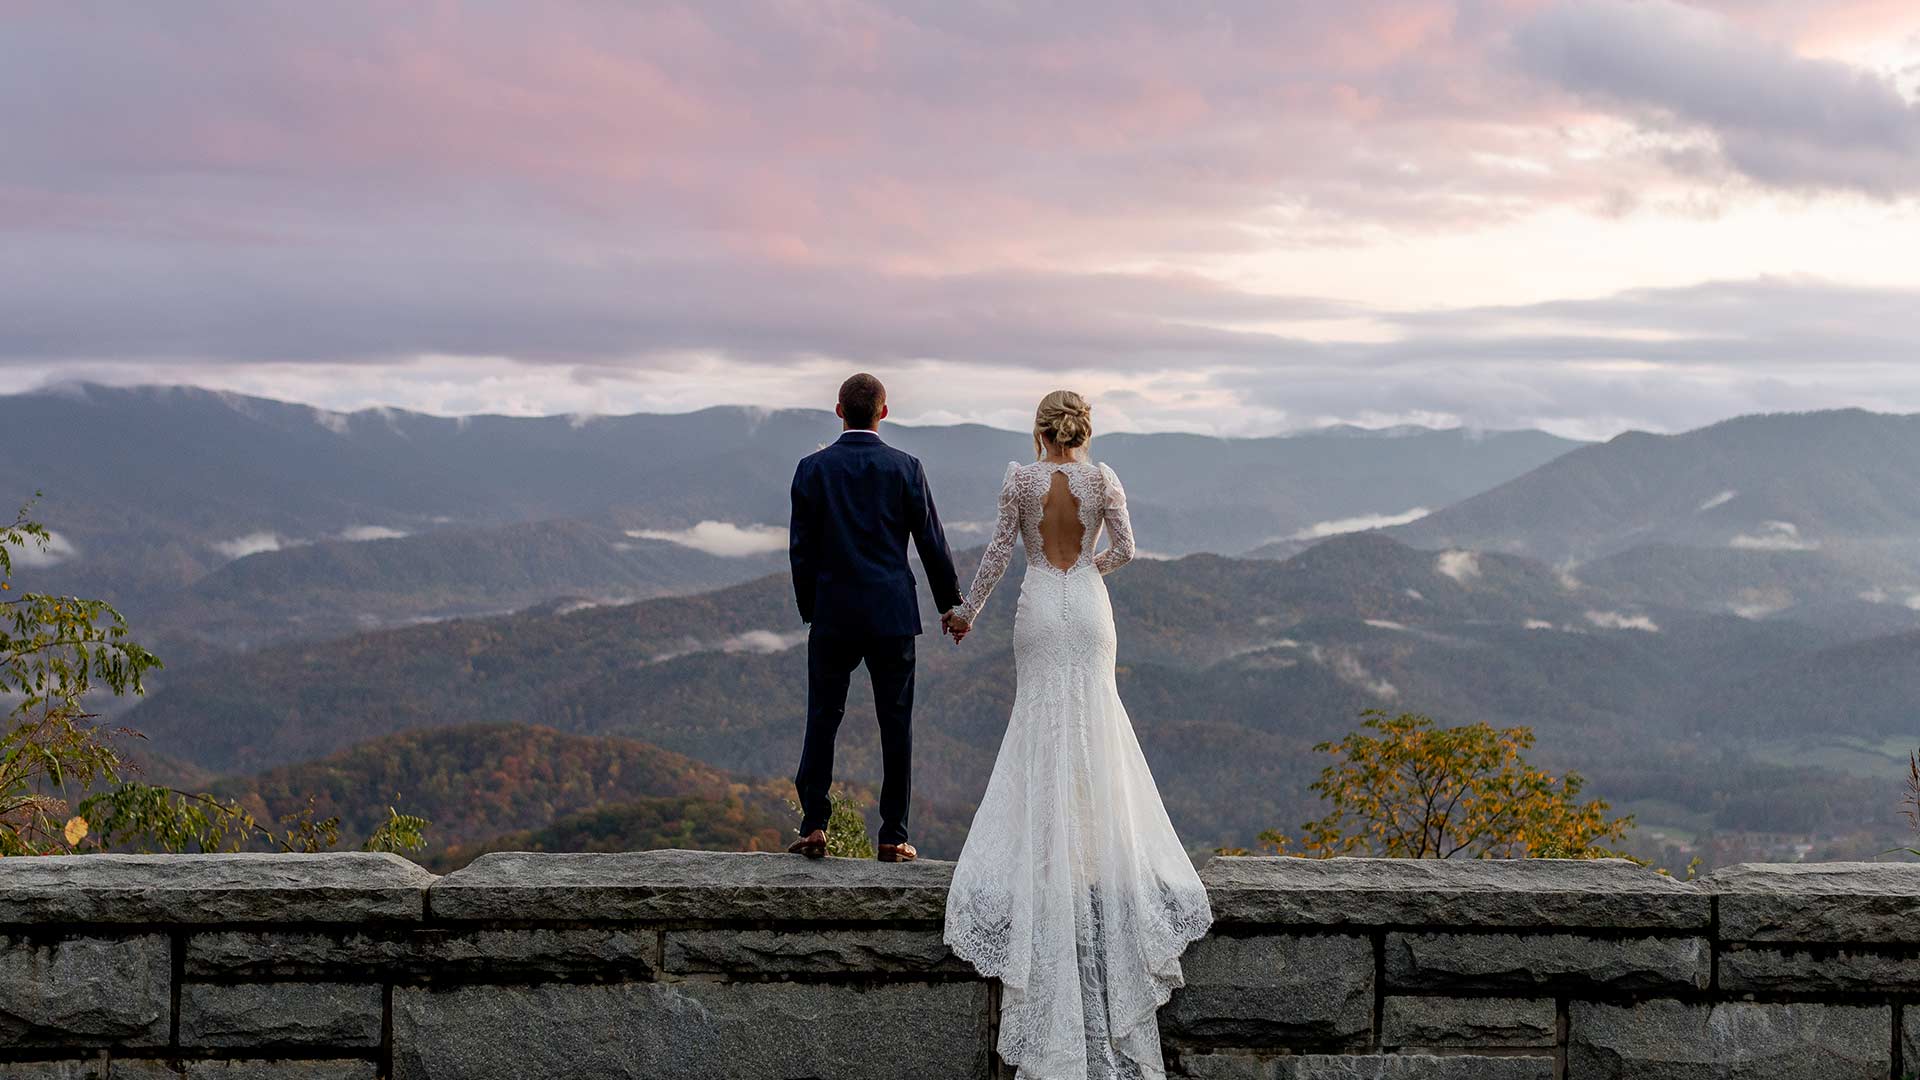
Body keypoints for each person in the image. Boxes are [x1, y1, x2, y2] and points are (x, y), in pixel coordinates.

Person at [941, 390, 1212, 1080]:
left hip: (1038, 603)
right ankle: (1094, 857)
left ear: (1038, 431)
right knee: (1096, 725)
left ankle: (1047, 856)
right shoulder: (1102, 479)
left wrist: (966, 610)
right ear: (1084, 430)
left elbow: (1001, 553)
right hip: (1088, 608)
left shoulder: (1020, 480)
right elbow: (1127, 546)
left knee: (1039, 726)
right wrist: (1090, 569)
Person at [787, 373, 962, 862]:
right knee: (896, 724)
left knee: (822, 718)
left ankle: (815, 824)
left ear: (839, 409)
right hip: (891, 616)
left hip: (833, 614)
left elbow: (801, 550)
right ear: (883, 412)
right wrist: (950, 605)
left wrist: (811, 609)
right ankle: (893, 835)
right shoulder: (906, 468)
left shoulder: (811, 470)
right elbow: (931, 541)